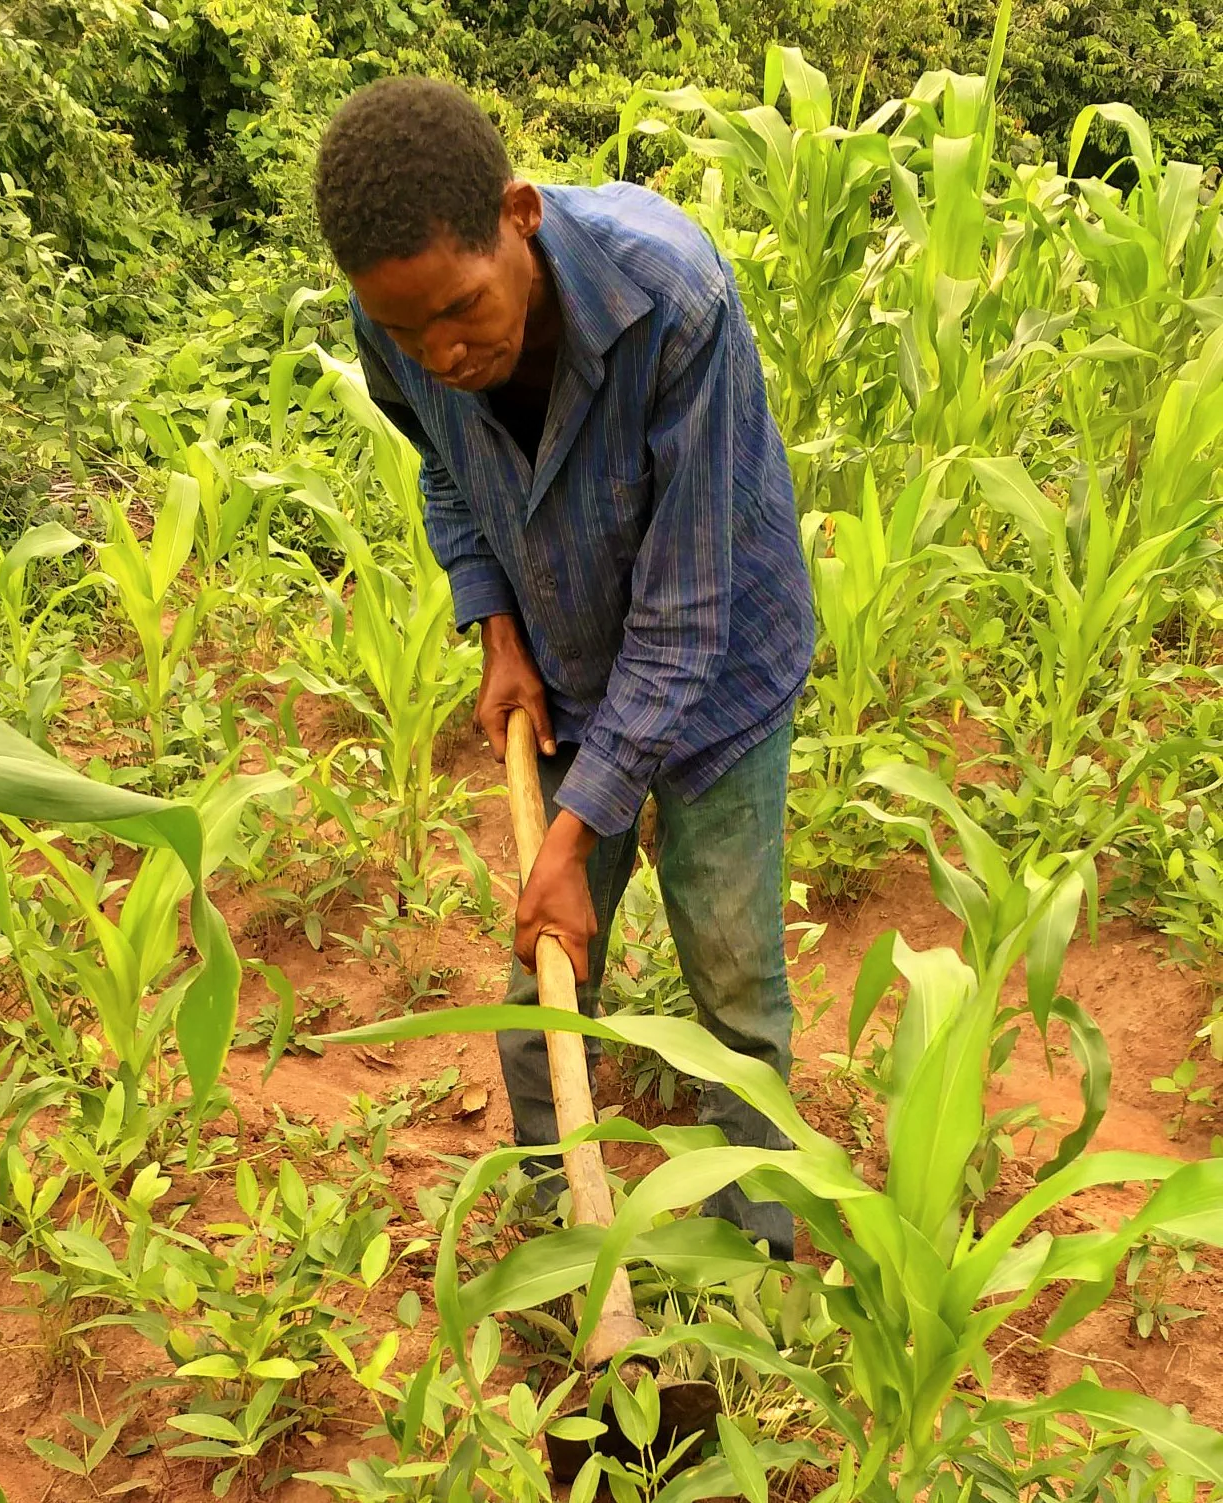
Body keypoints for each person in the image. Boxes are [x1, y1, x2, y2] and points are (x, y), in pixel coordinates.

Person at [314, 76, 814, 1259]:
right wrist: (495, 628)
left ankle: (761, 1248)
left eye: (459, 310)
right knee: (542, 969)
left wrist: (571, 835)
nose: (440, 351)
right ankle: (560, 1223)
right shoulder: (395, 325)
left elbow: (688, 617)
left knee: (734, 981)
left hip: (724, 675)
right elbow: (449, 470)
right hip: (565, 656)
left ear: (519, 216)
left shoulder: (672, 300)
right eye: (402, 330)